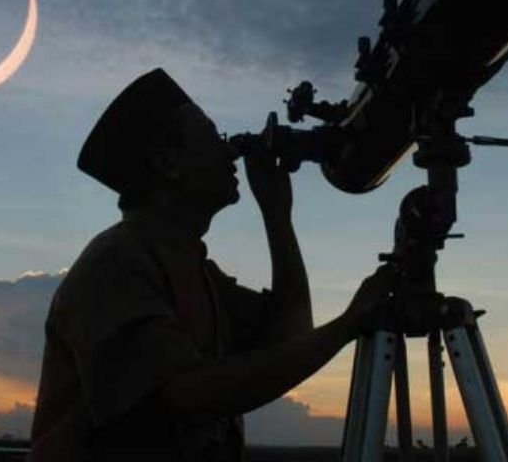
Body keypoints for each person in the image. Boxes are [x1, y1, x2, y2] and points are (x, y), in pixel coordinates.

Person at [28, 68, 394, 461]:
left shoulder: (196, 271)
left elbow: (291, 334)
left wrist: (277, 216)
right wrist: (348, 325)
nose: (230, 149)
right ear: (168, 163)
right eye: (213, 136)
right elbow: (190, 393)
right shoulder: (113, 266)